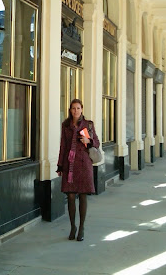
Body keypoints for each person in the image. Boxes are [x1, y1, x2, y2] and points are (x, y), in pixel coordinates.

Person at [57, 99, 100, 242]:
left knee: (82, 196)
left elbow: (97, 143)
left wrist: (89, 142)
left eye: (78, 108)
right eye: (73, 108)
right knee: (70, 196)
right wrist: (60, 165)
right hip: (70, 165)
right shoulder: (66, 125)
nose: (76, 111)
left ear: (82, 109)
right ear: (70, 110)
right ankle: (72, 227)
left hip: (84, 163)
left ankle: (81, 228)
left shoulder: (88, 125)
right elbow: (63, 146)